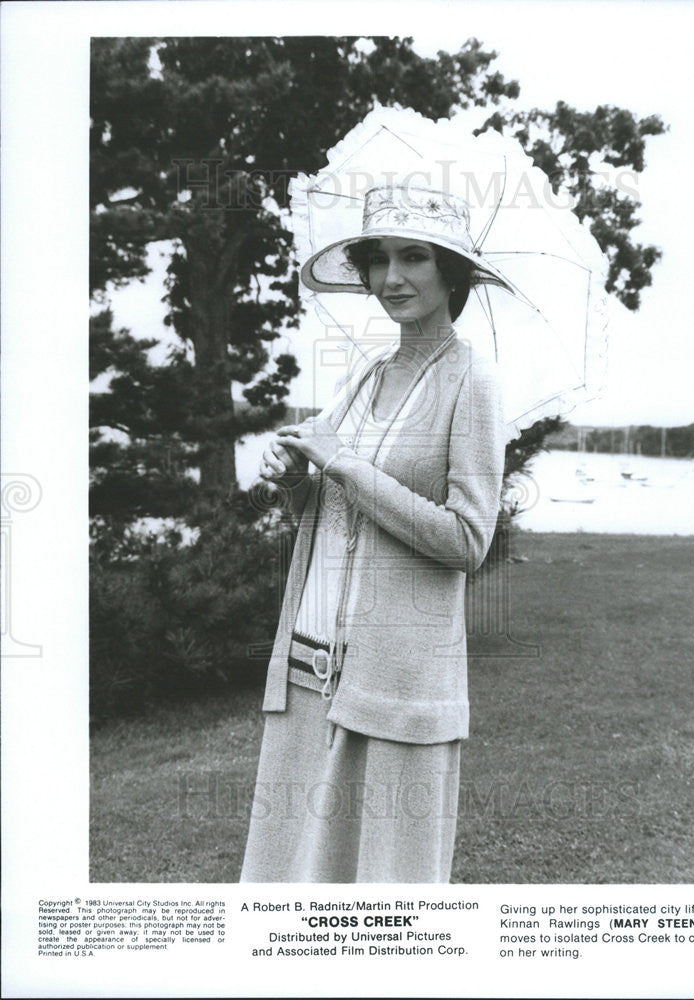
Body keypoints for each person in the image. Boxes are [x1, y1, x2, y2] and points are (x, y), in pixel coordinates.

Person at [240, 184, 507, 883]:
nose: (391, 278)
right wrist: (295, 477)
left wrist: (348, 465)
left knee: (388, 905)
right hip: (311, 665)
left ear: (450, 272)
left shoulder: (470, 380)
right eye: (378, 258)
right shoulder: (364, 376)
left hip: (398, 681)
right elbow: (331, 509)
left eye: (413, 257)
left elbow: (467, 540)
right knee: (289, 895)